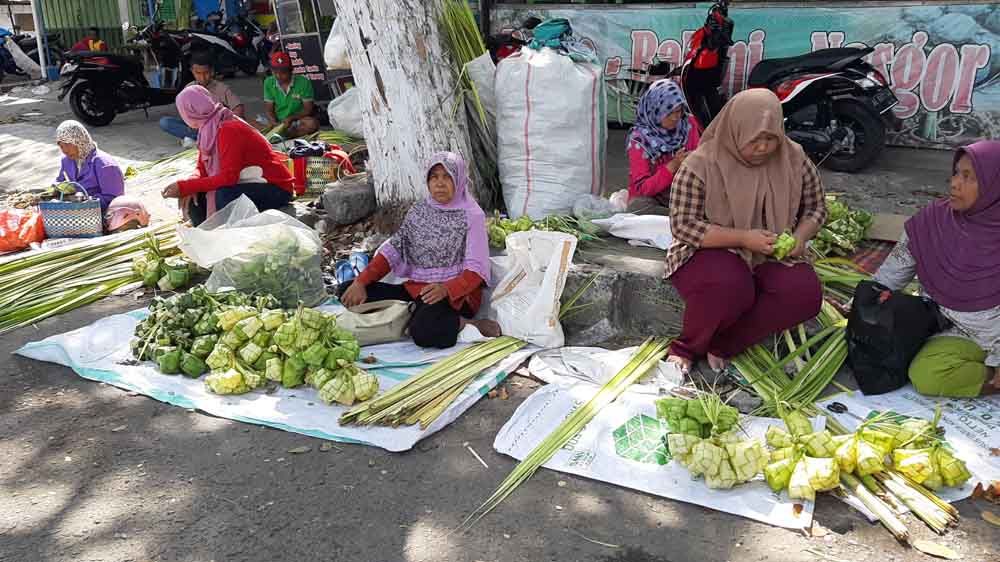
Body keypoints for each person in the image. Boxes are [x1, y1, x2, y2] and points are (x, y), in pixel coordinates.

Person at [664, 89, 827, 374]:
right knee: (731, 285)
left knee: (804, 293)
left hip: (770, 250)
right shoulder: (701, 164)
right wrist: (743, 238)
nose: (764, 148)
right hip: (710, 249)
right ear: (736, 130)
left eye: (770, 139)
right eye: (756, 140)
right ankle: (687, 348)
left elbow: (816, 208)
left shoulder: (793, 158)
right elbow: (683, 225)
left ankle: (726, 344)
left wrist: (800, 237)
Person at [872, 140, 1000, 397]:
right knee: (916, 371)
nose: (954, 183)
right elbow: (895, 269)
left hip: (994, 338)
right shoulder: (933, 219)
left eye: (969, 177)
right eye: (956, 172)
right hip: (947, 327)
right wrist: (866, 300)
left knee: (927, 374)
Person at [339, 152, 502, 349]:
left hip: (455, 296)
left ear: (458, 180)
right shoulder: (420, 211)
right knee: (347, 292)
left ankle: (469, 324)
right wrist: (360, 281)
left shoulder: (472, 215)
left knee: (423, 332)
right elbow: (394, 249)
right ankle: (412, 313)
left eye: (447, 176)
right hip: (417, 291)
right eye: (434, 177)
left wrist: (446, 289)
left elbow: (476, 270)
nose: (440, 183)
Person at [160, 85, 295, 226]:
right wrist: (189, 184)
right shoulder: (207, 129)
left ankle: (226, 230)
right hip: (246, 182)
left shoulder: (228, 129)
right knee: (194, 195)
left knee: (223, 194)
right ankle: (205, 229)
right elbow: (201, 167)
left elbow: (229, 177)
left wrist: (185, 186)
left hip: (276, 188)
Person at [626, 79, 701, 216]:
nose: (675, 118)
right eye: (668, 112)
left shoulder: (688, 124)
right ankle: (681, 217)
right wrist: (672, 166)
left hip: (685, 193)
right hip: (655, 198)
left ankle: (681, 216)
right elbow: (642, 189)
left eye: (678, 111)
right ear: (655, 109)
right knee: (636, 207)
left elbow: (702, 157)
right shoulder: (639, 141)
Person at [159, 51, 245, 143]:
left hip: (217, 127)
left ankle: (201, 138)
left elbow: (238, 107)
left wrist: (229, 124)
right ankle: (202, 137)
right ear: (192, 71)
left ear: (211, 71)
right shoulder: (189, 88)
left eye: (206, 73)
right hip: (197, 127)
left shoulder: (221, 88)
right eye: (198, 73)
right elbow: (185, 112)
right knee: (165, 122)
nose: (202, 77)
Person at [54, 120, 124, 212]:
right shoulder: (67, 161)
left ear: (80, 140)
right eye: (61, 146)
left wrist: (85, 202)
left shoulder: (104, 164)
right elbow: (60, 184)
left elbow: (114, 199)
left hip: (100, 215)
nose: (65, 150)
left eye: (68, 144)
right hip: (75, 213)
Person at [262, 51, 319, 139]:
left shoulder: (303, 82)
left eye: (283, 73)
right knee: (248, 123)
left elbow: (308, 109)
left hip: (296, 121)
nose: (278, 76)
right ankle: (282, 134)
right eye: (275, 72)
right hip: (277, 122)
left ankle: (285, 135)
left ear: (291, 71)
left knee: (312, 124)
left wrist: (291, 118)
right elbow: (269, 110)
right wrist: (274, 122)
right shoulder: (268, 82)